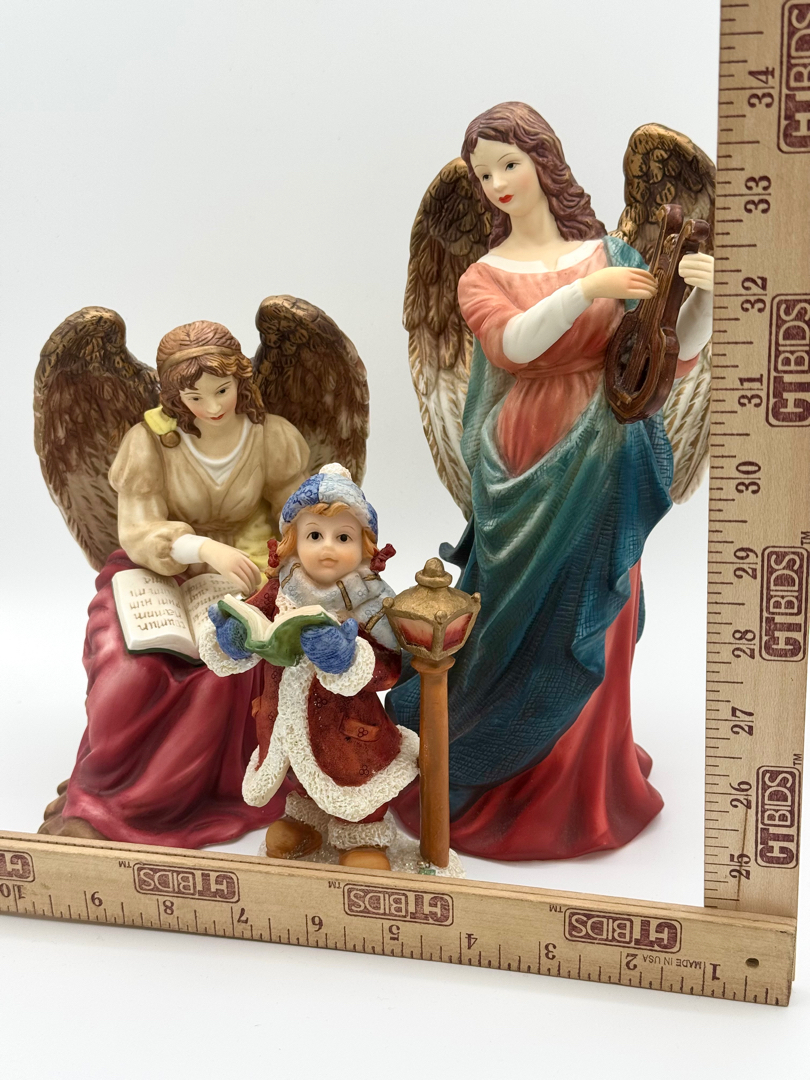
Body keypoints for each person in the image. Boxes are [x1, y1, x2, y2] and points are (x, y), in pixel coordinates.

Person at [388, 102, 714, 860]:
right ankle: (499, 767)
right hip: (525, 460)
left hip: (612, 455)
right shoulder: (481, 275)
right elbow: (512, 347)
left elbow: (666, 356)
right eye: (484, 173)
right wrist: (586, 292)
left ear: (544, 160)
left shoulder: (612, 250)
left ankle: (588, 785)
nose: (499, 182)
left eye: (510, 162)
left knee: (602, 609)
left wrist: (702, 297)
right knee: (515, 623)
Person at [41, 320, 311, 846]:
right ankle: (103, 791)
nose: (212, 406)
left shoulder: (272, 437)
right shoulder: (148, 443)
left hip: (251, 574)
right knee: (126, 669)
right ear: (174, 396)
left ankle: (164, 799)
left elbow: (298, 516)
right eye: (195, 396)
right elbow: (138, 528)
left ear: (241, 382)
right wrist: (202, 549)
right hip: (157, 572)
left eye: (222, 390)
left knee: (225, 663)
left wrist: (283, 563)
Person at [207, 464, 415, 871]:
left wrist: (347, 659)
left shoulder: (372, 603)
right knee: (298, 773)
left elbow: (392, 666)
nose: (327, 548)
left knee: (356, 780)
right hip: (284, 719)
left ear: (365, 545)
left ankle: (362, 836)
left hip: (349, 726)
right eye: (314, 536)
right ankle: (307, 821)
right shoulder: (280, 588)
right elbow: (253, 618)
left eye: (343, 537)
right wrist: (232, 635)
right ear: (293, 542)